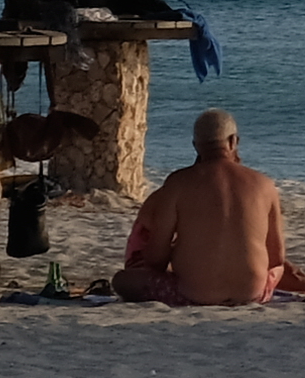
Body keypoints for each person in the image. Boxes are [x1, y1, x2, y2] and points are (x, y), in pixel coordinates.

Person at [118, 107, 290, 308]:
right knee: (275, 271)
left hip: (194, 295)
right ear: (234, 141)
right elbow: (276, 257)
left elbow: (156, 259)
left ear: (195, 146)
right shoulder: (265, 185)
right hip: (253, 294)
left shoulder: (178, 183)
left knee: (122, 281)